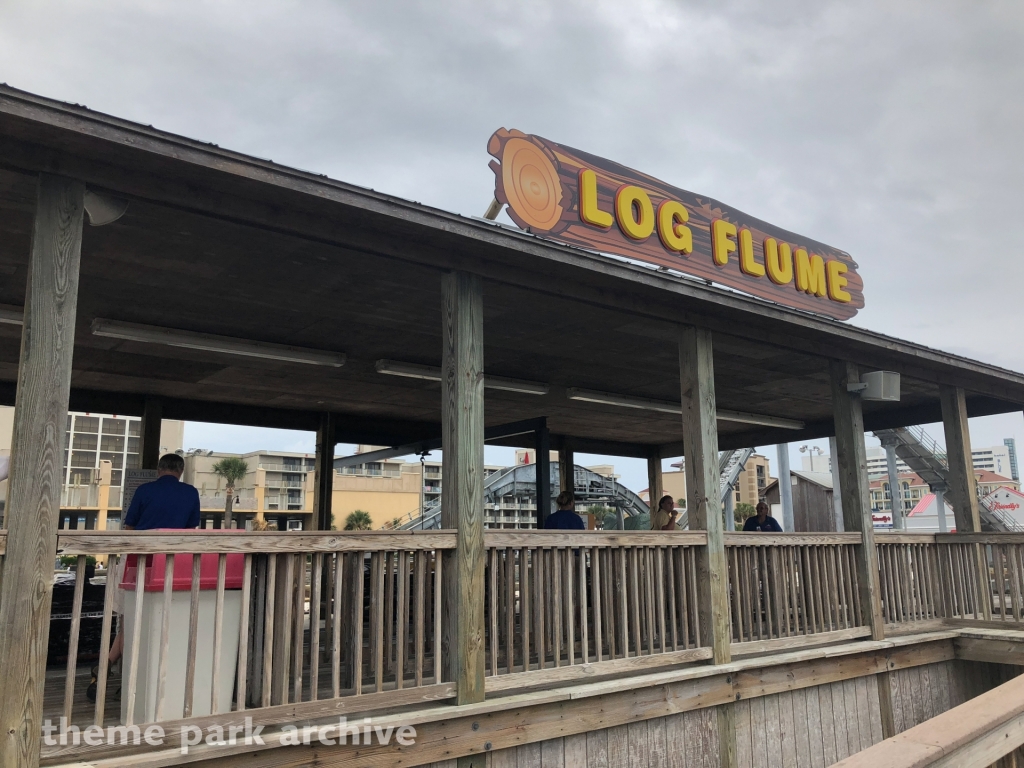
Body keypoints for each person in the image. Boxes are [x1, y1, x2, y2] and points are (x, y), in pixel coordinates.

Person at [88, 453, 200, 702]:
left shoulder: (144, 490)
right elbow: (191, 530)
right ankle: (121, 672)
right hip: (172, 563)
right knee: (159, 619)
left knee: (130, 619)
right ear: (180, 471)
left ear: (159, 469)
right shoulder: (191, 493)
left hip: (137, 560)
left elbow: (129, 527)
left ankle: (119, 672)